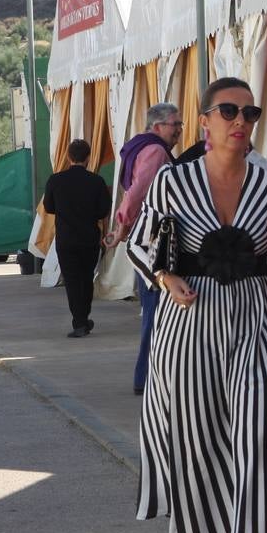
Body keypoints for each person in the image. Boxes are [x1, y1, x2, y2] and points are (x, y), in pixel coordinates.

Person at [127, 76, 267, 533]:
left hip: (259, 319)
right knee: (198, 440)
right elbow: (141, 242)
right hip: (188, 323)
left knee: (256, 441)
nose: (241, 121)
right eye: (228, 111)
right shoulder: (171, 181)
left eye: (250, 113)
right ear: (205, 121)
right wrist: (164, 278)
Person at [108, 103, 182, 394]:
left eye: (180, 124)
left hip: (145, 237)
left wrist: (123, 228)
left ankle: (150, 376)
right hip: (154, 241)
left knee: (155, 309)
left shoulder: (140, 147)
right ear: (157, 127)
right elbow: (138, 192)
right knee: (156, 310)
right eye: (174, 124)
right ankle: (147, 377)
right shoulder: (155, 151)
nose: (178, 130)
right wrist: (122, 225)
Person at [42, 139, 112, 338]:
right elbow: (102, 211)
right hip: (89, 238)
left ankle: (79, 321)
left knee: (72, 281)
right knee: (86, 278)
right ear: (89, 157)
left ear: (68, 157)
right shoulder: (96, 181)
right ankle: (83, 317)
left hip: (66, 239)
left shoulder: (55, 180)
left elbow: (49, 207)